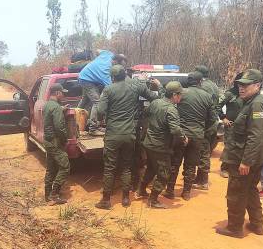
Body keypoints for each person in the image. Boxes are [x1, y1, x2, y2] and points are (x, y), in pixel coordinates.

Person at [95, 65, 162, 210]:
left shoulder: (108, 89)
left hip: (113, 134)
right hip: (129, 134)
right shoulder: (135, 87)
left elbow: (100, 110)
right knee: (126, 167)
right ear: (125, 74)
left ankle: (106, 200)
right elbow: (153, 97)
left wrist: (101, 119)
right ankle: (125, 198)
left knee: (110, 167)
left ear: (112, 77)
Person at [216, 69, 263, 238]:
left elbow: (256, 135)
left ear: (257, 86)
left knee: (236, 193)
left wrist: (246, 161)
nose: (241, 88)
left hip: (245, 159)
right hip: (251, 157)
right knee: (250, 190)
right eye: (240, 85)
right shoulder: (251, 101)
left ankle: (234, 228)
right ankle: (256, 224)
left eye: (246, 85)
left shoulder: (256, 104)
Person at [164, 71, 217, 201]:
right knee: (191, 164)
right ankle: (186, 192)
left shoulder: (182, 94)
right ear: (200, 82)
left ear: (188, 81)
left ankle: (170, 190)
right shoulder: (207, 96)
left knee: (175, 163)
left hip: (181, 135)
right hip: (197, 135)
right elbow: (212, 118)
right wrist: (202, 129)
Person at [136, 81, 187, 208]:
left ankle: (141, 190)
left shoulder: (155, 102)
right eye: (180, 95)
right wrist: (184, 137)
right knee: (164, 173)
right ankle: (153, 200)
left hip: (149, 143)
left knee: (152, 168)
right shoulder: (171, 110)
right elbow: (175, 129)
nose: (181, 97)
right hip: (160, 146)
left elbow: (145, 114)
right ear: (174, 95)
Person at [43, 83, 70, 205]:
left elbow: (52, 114)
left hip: (48, 141)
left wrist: (61, 109)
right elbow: (59, 127)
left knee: (51, 168)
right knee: (65, 167)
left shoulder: (48, 105)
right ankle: (54, 194)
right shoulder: (56, 107)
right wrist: (65, 139)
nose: (64, 95)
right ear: (58, 93)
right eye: (62, 93)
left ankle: (47, 195)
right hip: (55, 141)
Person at [77, 49, 114, 136]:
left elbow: (97, 50)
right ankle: (93, 128)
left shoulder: (108, 53)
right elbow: (111, 88)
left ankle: (76, 121)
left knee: (84, 101)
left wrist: (96, 61)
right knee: (97, 102)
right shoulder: (105, 72)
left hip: (83, 75)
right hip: (87, 80)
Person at [194, 65, 219, 190]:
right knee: (205, 151)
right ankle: (199, 178)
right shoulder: (213, 85)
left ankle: (203, 181)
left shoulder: (203, 86)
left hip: (205, 124)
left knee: (203, 152)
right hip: (211, 123)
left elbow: (204, 106)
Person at [217, 72, 244, 178]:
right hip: (231, 125)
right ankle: (224, 168)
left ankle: (236, 167)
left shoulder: (247, 95)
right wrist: (223, 118)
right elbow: (217, 105)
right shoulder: (230, 93)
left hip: (243, 125)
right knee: (229, 146)